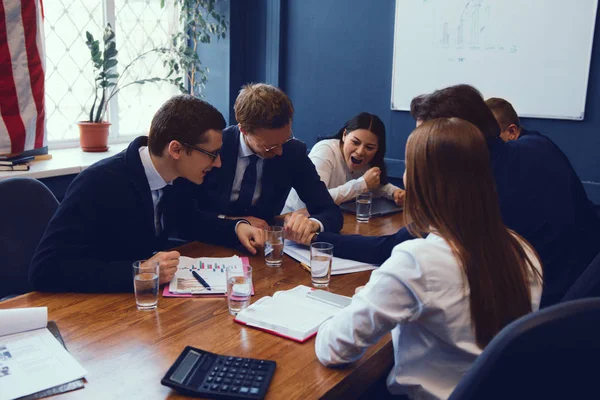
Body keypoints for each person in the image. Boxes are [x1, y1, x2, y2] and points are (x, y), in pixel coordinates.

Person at [305, 84, 600, 307]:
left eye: (425, 139)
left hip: (527, 314)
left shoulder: (473, 189)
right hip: (577, 297)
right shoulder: (538, 145)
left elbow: (391, 249)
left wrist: (315, 237)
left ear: (451, 139)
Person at [315, 118, 543, 400]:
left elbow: (333, 349)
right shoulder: (523, 249)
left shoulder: (417, 261)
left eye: (409, 167)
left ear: (422, 181)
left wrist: (364, 300)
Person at [30, 95, 265, 293]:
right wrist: (140, 272)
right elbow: (45, 269)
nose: (218, 164)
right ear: (176, 149)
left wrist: (236, 228)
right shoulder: (98, 183)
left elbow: (190, 221)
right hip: (94, 316)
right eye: (212, 154)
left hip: (139, 312)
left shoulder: (179, 177)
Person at [191, 83, 343, 244]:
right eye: (270, 146)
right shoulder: (214, 148)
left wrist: (313, 223)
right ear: (244, 130)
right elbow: (185, 215)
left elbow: (330, 211)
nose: (279, 152)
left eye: (284, 141)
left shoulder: (293, 152)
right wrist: (233, 221)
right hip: (208, 243)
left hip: (264, 247)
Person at [282, 112, 404, 213]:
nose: (361, 151)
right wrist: (361, 185)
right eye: (355, 142)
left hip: (331, 220)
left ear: (377, 149)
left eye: (369, 147)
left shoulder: (368, 161)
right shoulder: (325, 150)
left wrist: (394, 192)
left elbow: (374, 184)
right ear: (345, 135)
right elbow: (316, 199)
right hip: (295, 220)